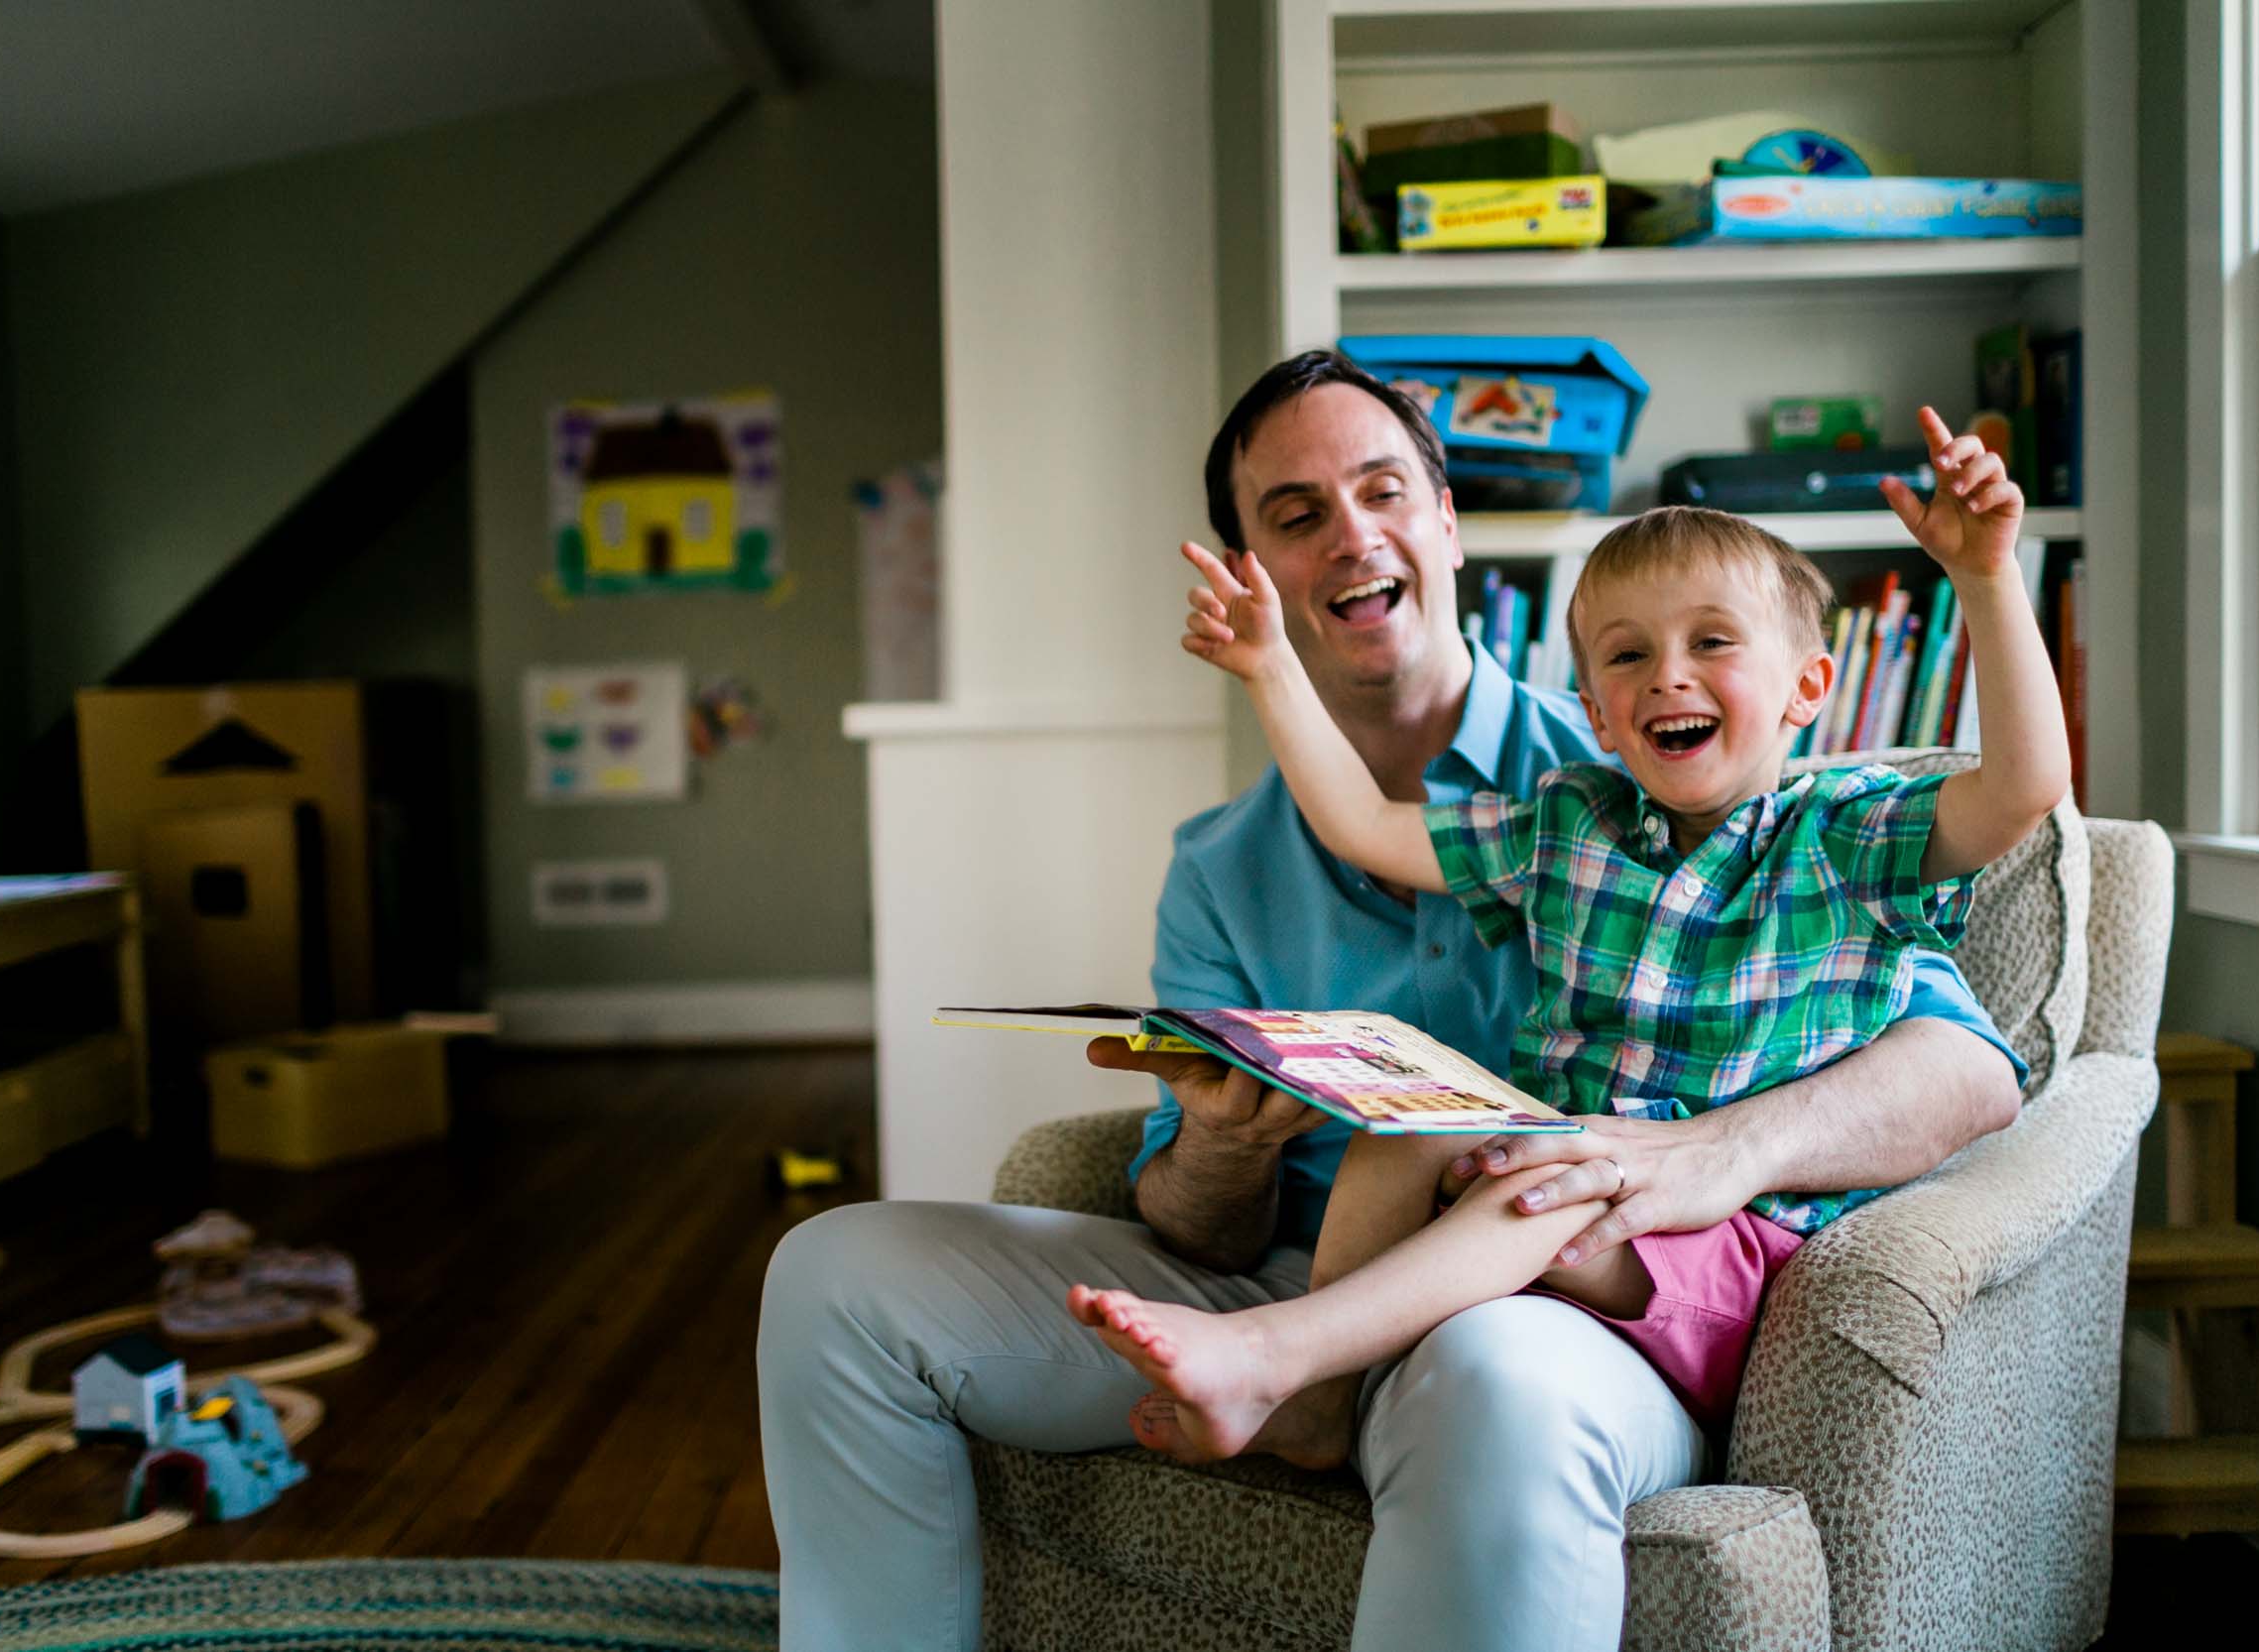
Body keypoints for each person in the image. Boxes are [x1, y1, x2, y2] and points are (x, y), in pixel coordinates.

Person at [756, 351, 2026, 1652]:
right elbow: (1191, 1220)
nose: (1352, 534)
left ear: (1447, 521)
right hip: (1286, 1284)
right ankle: (1281, 1384)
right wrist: (1225, 1145)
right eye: (1297, 515)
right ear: (1250, 566)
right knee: (836, 1273)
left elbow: (1968, 1067)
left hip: (1545, 1308)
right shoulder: (1222, 866)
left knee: (1495, 1376)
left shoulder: (1647, 788)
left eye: (1382, 491)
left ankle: (1321, 1370)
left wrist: (1715, 1151)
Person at [1068, 419, 2066, 1464]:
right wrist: (1272, 669)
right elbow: (1362, 827)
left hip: (1730, 1245)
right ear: (1593, 710)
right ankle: (1320, 1408)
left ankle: (1270, 1354)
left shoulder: (1845, 835)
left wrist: (1986, 577)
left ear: (1807, 690)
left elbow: (2022, 789)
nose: (1666, 676)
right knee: (1404, 1127)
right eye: (1628, 655)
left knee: (1540, 1181)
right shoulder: (1566, 826)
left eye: (1712, 642)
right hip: (1561, 1167)